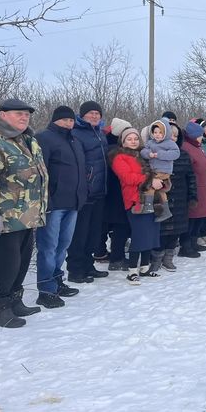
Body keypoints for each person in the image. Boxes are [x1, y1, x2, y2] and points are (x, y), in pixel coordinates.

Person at [0, 98, 48, 328]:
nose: (24, 117)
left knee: (22, 261)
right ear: (3, 115)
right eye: (18, 114)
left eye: (27, 115)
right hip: (4, 216)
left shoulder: (28, 140)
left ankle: (15, 300)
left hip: (28, 214)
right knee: (6, 263)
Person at [34, 105, 87, 308]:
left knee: (63, 245)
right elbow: (41, 171)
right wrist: (46, 199)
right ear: (55, 120)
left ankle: (57, 281)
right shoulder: (44, 138)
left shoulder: (74, 140)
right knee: (48, 247)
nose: (68, 123)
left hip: (72, 202)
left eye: (71, 120)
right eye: (64, 120)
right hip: (53, 203)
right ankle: (45, 289)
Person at [109, 127, 161, 284]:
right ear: (123, 141)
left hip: (150, 198)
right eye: (129, 139)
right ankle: (132, 270)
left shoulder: (143, 155)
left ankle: (144, 267)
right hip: (134, 200)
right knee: (139, 235)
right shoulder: (119, 157)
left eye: (136, 139)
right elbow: (127, 177)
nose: (133, 142)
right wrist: (149, 180)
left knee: (150, 234)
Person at [67, 101, 110, 283]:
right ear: (82, 115)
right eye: (91, 113)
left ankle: (88, 264)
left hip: (100, 190)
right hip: (85, 191)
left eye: (97, 113)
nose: (94, 116)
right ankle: (75, 269)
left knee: (93, 231)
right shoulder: (76, 133)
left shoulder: (100, 133)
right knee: (80, 232)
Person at [158, 123, 197, 271]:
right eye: (170, 135)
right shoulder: (155, 153)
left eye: (175, 135)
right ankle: (156, 257)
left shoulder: (184, 154)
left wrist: (193, 196)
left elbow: (191, 177)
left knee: (176, 230)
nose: (173, 138)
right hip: (161, 197)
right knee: (161, 229)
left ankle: (168, 258)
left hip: (180, 197)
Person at [179, 122, 206, 256]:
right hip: (196, 189)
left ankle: (193, 242)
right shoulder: (186, 147)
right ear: (194, 135)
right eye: (200, 135)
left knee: (199, 218)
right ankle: (186, 246)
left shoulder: (196, 146)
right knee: (192, 218)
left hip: (204, 189)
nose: (202, 137)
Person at [103, 117, 133, 271]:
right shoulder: (114, 150)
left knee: (119, 226)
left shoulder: (109, 146)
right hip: (117, 194)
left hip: (115, 194)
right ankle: (117, 258)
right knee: (120, 226)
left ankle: (117, 255)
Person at [139, 117, 178, 221]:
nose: (157, 134)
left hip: (163, 171)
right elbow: (143, 151)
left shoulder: (170, 143)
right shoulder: (150, 143)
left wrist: (160, 154)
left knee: (150, 185)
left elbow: (175, 154)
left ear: (166, 133)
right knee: (160, 190)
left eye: (160, 132)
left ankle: (148, 206)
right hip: (153, 170)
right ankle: (166, 211)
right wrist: (149, 154)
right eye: (155, 132)